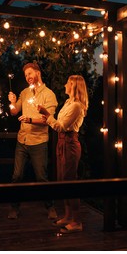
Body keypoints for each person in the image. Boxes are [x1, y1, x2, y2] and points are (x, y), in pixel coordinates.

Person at [37, 75, 88, 233]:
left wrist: (47, 114)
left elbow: (61, 126)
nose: (65, 84)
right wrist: (48, 117)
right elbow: (58, 125)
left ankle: (77, 221)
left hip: (70, 144)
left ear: (73, 86)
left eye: (68, 82)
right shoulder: (68, 103)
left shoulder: (77, 106)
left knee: (70, 182)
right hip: (62, 142)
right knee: (62, 181)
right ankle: (67, 216)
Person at [7, 62, 58, 220]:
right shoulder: (24, 92)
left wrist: (29, 119)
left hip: (38, 141)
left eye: (30, 73)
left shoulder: (49, 95)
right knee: (16, 176)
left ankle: (50, 207)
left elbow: (47, 120)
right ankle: (14, 208)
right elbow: (14, 112)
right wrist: (11, 101)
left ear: (38, 73)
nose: (28, 77)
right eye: (25, 75)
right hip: (22, 140)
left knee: (41, 177)